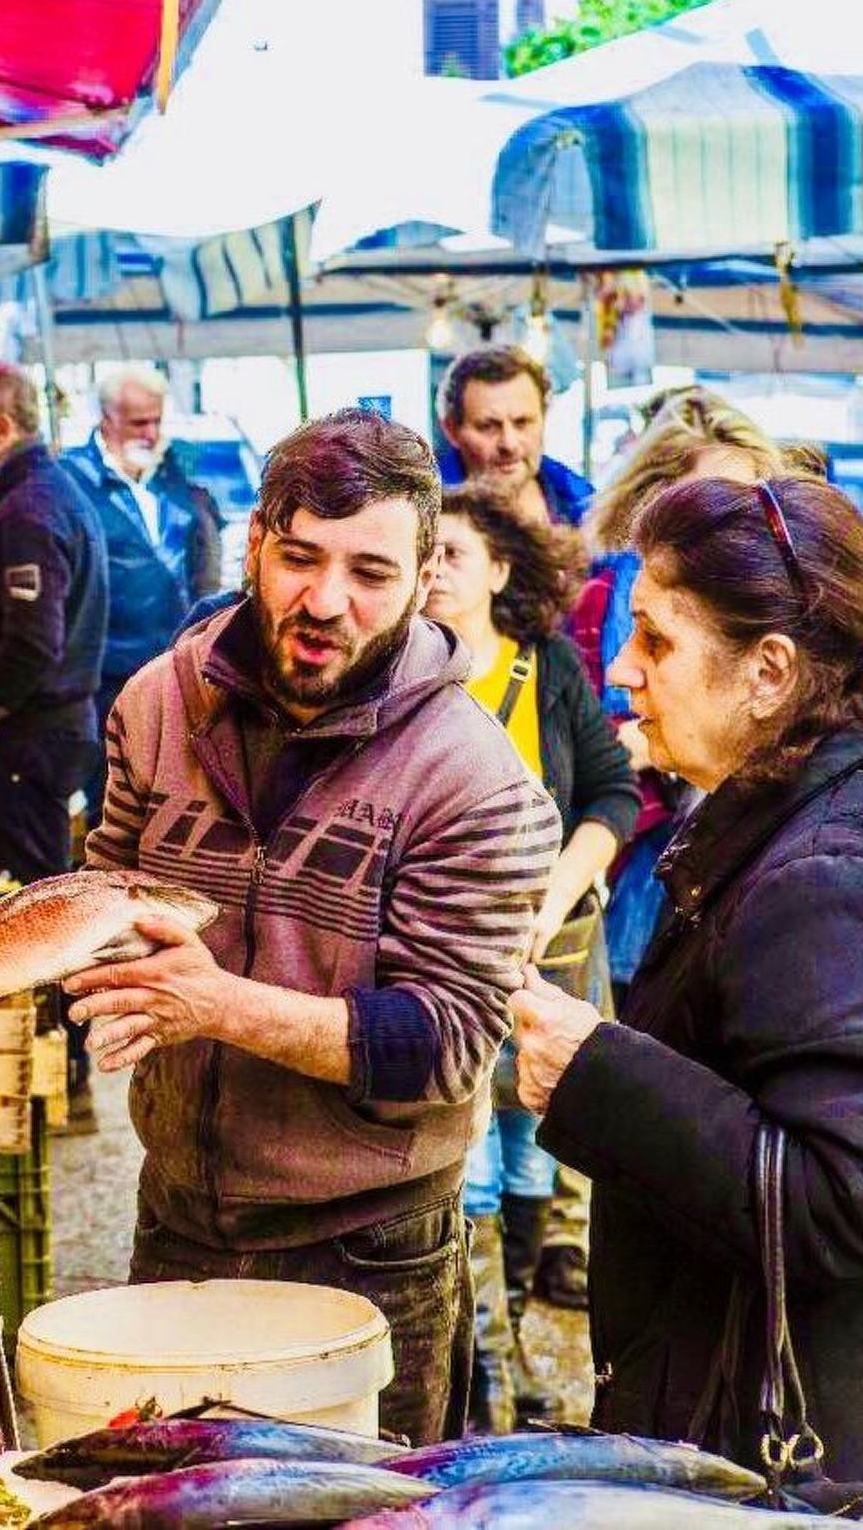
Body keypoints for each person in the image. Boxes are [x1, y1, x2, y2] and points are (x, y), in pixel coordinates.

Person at [69, 408, 560, 1444]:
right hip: (177, 1216)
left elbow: (447, 1044)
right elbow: (105, 886)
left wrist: (217, 1005)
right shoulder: (156, 705)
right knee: (164, 1509)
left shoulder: (475, 783)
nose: (322, 602)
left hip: (367, 1246)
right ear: (254, 543)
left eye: (369, 573)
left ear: (424, 572)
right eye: (297, 558)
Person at [511, 474, 863, 1485]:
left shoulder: (816, 873)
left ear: (767, 672)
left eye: (656, 641)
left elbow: (837, 1202)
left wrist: (595, 1073)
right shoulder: (764, 812)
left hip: (772, 1441)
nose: (620, 669)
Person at [544, 394, 787, 1313]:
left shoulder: (808, 860)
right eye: (701, 507)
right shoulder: (617, 593)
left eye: (745, 506)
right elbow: (598, 732)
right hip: (647, 846)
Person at [423, 483, 640, 1432]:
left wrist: (556, 891)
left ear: (501, 571)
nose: (432, 574)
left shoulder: (546, 666)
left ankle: (506, 1344)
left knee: (529, 1162)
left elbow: (612, 792)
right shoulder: (399, 674)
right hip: (447, 974)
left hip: (549, 963)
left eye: (453, 556)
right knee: (463, 1169)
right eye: (423, 556)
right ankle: (483, 1379)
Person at [0, 363, 108, 1108]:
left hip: (30, 743)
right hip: (42, 738)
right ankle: (53, 1054)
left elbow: (33, 640)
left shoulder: (31, 508)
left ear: (3, 428)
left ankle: (58, 1062)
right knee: (39, 900)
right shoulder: (28, 497)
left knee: (38, 911)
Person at [62, 368, 225, 815]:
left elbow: (202, 561)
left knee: (174, 795)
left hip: (176, 662)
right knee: (111, 800)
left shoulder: (175, 476)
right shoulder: (74, 481)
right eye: (138, 423)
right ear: (107, 418)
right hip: (104, 674)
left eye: (156, 420)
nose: (151, 433)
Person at [438, 346, 591, 527]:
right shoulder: (423, 518)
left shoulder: (586, 507)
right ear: (451, 430)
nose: (509, 444)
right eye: (488, 427)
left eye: (522, 422)